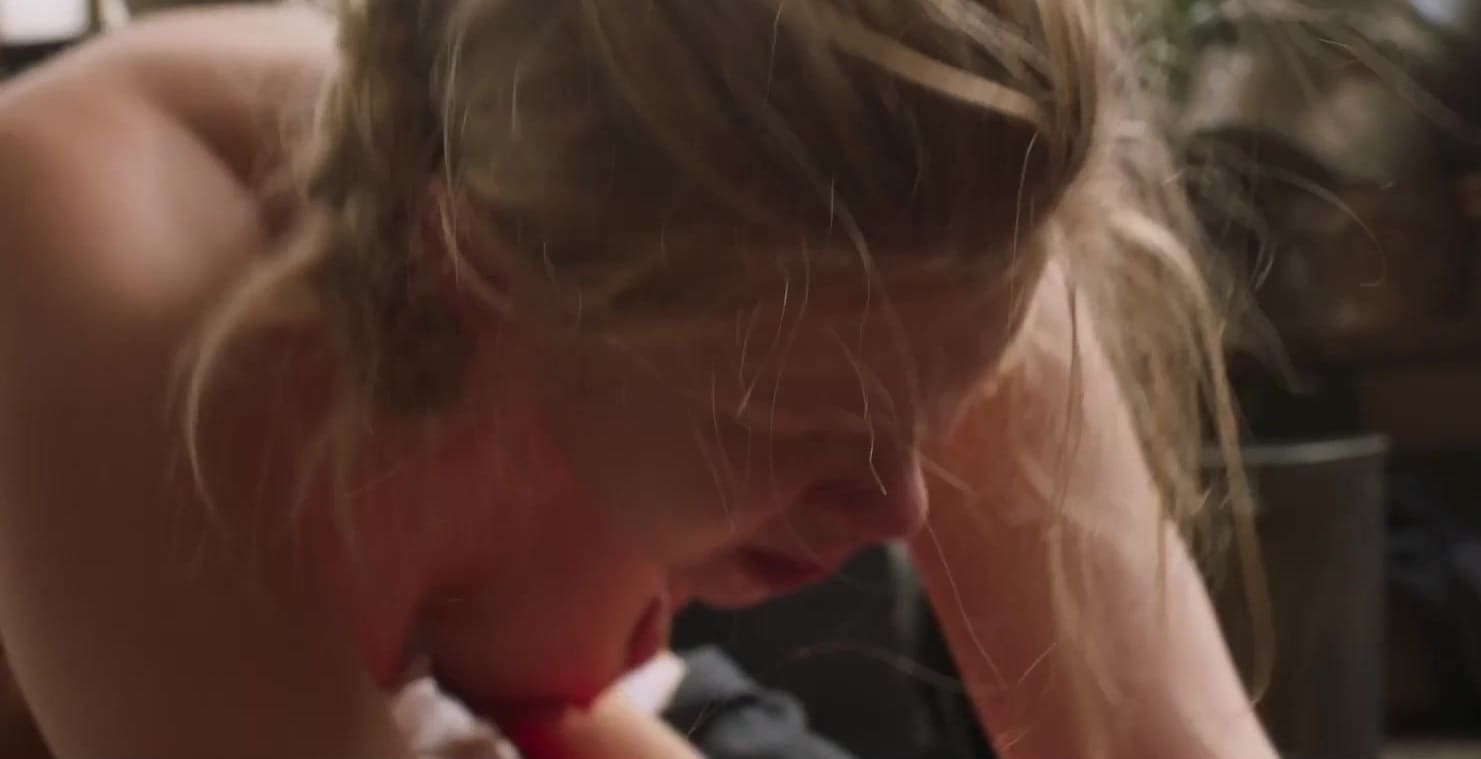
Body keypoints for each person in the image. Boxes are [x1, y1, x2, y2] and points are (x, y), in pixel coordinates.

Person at [0, 2, 1277, 758]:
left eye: (946, 399)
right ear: (482, 271)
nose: (900, 506)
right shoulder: (113, 276)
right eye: (787, 424)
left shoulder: (937, 203)